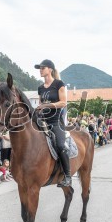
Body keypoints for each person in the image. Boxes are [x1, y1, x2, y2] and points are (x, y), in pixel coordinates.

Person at [34, 59, 71, 187]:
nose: (40, 70)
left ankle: (67, 176)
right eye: (40, 68)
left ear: (50, 69)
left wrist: (47, 105)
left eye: (42, 68)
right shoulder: (40, 88)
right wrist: (38, 110)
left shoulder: (59, 84)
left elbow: (63, 102)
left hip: (56, 122)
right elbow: (40, 104)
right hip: (43, 120)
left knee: (60, 146)